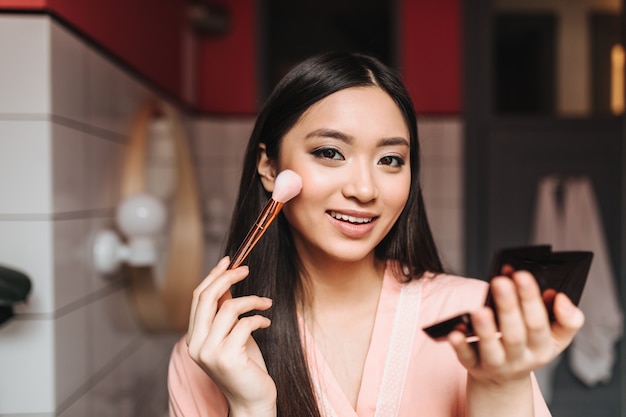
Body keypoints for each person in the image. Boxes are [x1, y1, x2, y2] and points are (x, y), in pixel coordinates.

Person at [168, 51, 584, 417]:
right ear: (270, 167)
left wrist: (500, 384)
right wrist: (251, 408)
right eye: (330, 153)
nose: (365, 190)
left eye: (390, 159)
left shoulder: (473, 317)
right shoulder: (213, 353)